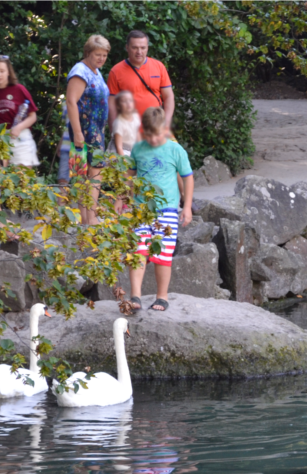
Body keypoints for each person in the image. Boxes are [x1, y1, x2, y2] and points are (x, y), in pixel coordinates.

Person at [125, 107, 194, 312]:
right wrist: (123, 199)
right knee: (139, 250)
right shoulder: (138, 148)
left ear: (165, 129)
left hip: (167, 210)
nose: (153, 140)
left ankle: (161, 297)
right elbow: (130, 176)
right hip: (141, 209)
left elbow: (187, 178)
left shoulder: (175, 150)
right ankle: (135, 296)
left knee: (162, 253)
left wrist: (187, 206)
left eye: (157, 134)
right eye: (149, 135)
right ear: (143, 131)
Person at [66, 35, 111, 225]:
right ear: (87, 53)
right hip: (85, 129)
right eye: (97, 54)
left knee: (85, 175)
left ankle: (85, 218)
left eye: (104, 55)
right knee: (93, 173)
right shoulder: (80, 71)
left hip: (95, 129)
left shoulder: (95, 70)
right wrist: (77, 132)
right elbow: (71, 101)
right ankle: (90, 218)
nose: (101, 59)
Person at [107, 30, 175, 129]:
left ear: (147, 48)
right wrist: (114, 132)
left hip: (155, 127)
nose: (139, 52)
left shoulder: (158, 67)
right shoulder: (116, 71)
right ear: (127, 48)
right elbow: (112, 105)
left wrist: (167, 122)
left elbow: (168, 97)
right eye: (134, 48)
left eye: (143, 48)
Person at [0, 55, 40, 167]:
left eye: (2, 71)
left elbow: (32, 116)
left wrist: (18, 127)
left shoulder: (19, 89)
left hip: (20, 138)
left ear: (8, 72)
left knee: (22, 178)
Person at [112, 90, 141, 156]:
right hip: (122, 151)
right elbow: (119, 147)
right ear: (118, 106)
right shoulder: (119, 123)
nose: (128, 103)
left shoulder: (135, 116)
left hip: (133, 149)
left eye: (130, 100)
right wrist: (124, 163)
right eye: (124, 101)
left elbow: (137, 133)